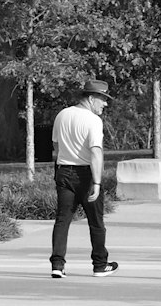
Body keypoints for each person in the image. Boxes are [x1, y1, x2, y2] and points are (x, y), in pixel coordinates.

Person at [49, 78, 118, 279]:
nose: (105, 104)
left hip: (63, 170)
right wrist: (96, 182)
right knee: (96, 222)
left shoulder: (62, 115)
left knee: (62, 220)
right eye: (102, 99)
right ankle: (100, 264)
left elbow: (56, 145)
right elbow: (96, 152)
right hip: (86, 174)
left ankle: (57, 264)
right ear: (91, 98)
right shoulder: (93, 121)